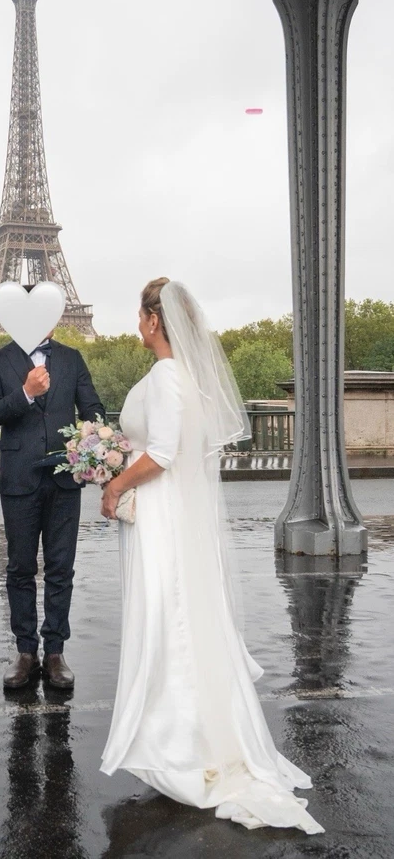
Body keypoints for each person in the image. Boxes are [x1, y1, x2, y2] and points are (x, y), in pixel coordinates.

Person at [99, 277, 324, 835]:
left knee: (169, 618)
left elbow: (165, 454)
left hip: (161, 517)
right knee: (171, 619)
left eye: (138, 314)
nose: (136, 323)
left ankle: (184, 745)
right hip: (161, 513)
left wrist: (113, 482)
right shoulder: (177, 377)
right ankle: (175, 736)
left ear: (153, 321)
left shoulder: (170, 378)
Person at [0, 301, 105, 690]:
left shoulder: (72, 357)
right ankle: (25, 651)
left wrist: (91, 443)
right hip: (19, 477)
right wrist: (26, 394)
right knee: (18, 568)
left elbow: (94, 410)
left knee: (61, 568)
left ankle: (55, 652)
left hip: (65, 480)